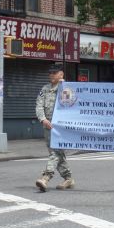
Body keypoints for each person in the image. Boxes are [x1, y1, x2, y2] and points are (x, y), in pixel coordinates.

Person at [35, 63, 74, 192]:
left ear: (61, 74)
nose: (51, 75)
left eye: (55, 73)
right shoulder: (45, 89)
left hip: (61, 127)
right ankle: (68, 178)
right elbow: (39, 105)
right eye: (50, 73)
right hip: (48, 126)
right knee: (58, 154)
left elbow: (71, 103)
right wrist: (43, 119)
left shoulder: (66, 88)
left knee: (55, 152)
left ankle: (46, 177)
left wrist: (64, 86)